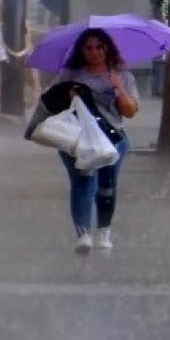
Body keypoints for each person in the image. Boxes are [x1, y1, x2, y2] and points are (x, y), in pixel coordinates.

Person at [56, 29, 140, 253]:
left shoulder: (123, 76)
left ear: (107, 48)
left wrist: (119, 88)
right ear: (81, 51)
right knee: (83, 182)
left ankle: (104, 231)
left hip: (113, 138)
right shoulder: (70, 75)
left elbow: (131, 111)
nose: (94, 52)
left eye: (99, 47)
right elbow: (55, 106)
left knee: (106, 186)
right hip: (77, 139)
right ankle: (83, 234)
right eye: (89, 47)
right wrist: (68, 96)